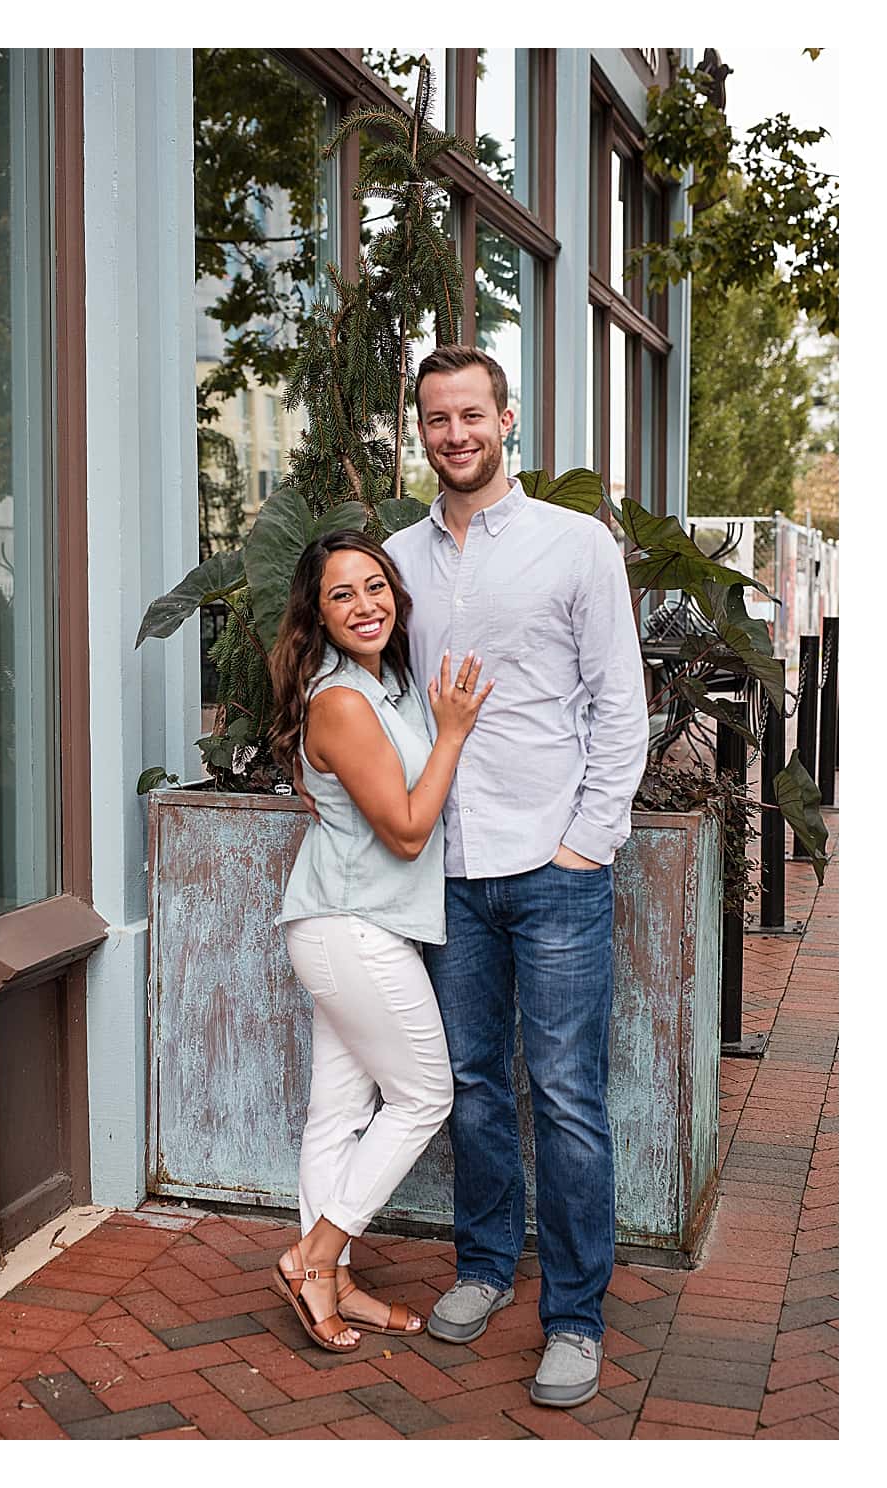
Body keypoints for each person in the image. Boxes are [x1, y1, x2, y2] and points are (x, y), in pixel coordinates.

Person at [384, 344, 647, 1410]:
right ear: (421, 432)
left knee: (570, 1098)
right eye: (436, 420)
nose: (454, 435)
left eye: (470, 416)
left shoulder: (573, 544)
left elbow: (614, 703)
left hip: (552, 868)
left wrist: (585, 841)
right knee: (475, 1089)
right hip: (442, 872)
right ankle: (485, 1264)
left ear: (507, 422)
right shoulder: (396, 560)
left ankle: (575, 1318)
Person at [269, 530, 491, 1353]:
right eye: (341, 595)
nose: (364, 605)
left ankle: (334, 1283)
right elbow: (403, 831)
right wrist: (455, 733)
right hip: (351, 929)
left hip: (344, 923)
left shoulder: (379, 684)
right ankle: (315, 1256)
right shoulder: (342, 701)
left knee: (338, 1111)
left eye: (375, 587)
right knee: (425, 1093)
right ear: (317, 617)